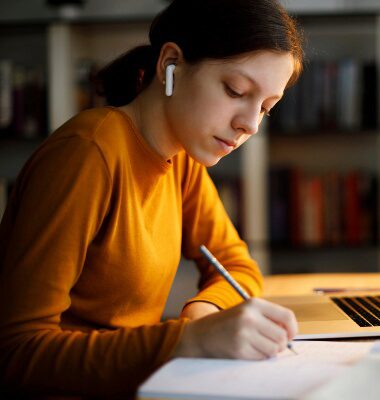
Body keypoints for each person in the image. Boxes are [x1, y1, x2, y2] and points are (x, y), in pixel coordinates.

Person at [0, 0, 304, 397]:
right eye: (235, 91)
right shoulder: (88, 154)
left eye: (266, 108)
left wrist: (204, 316)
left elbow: (237, 265)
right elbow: (17, 351)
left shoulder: (181, 157)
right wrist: (188, 340)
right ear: (170, 63)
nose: (248, 124)